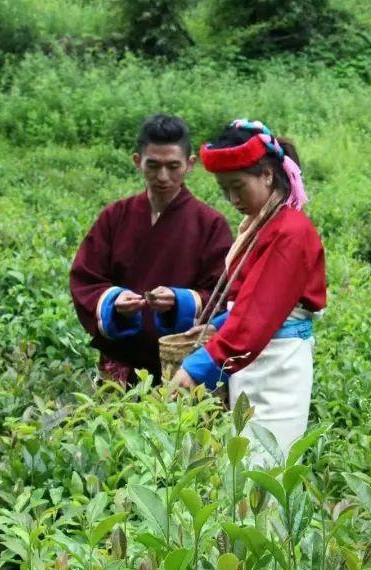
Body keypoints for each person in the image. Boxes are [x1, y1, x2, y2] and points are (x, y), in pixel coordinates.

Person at [172, 120, 326, 462]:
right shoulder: (266, 225)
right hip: (253, 360)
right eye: (224, 189)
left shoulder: (290, 233)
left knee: (268, 467)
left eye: (238, 186)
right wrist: (218, 326)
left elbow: (260, 313)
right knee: (245, 465)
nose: (232, 198)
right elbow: (251, 301)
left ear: (268, 175)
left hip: (278, 367)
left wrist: (199, 366)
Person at [70, 115, 233, 385]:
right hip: (120, 359)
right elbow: (86, 278)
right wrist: (114, 302)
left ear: (190, 164)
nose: (162, 177)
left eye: (173, 166)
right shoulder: (116, 216)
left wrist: (179, 302)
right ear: (137, 162)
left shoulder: (210, 224)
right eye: (153, 166)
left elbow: (223, 295)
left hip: (182, 364)